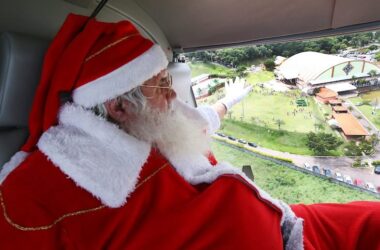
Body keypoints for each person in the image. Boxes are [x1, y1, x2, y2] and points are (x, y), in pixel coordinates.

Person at [0, 14, 379, 250]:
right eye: (160, 84)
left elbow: (202, 123)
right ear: (118, 105)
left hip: (290, 225)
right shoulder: (46, 190)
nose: (172, 93)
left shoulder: (151, 123)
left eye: (169, 78)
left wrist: (230, 102)